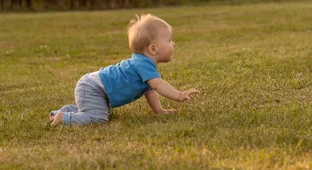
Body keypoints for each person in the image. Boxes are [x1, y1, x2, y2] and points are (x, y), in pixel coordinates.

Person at [50, 14, 200, 126]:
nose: (173, 44)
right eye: (169, 40)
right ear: (153, 49)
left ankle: (60, 113)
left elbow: (150, 90)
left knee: (103, 112)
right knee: (99, 118)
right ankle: (64, 118)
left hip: (94, 87)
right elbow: (158, 85)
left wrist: (158, 110)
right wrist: (179, 95)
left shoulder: (143, 64)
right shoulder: (143, 64)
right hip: (93, 88)